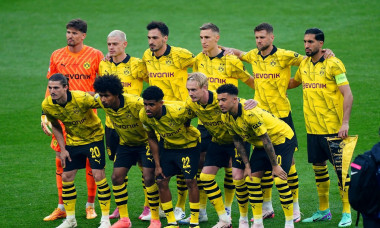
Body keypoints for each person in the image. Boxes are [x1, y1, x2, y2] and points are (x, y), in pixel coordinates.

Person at [188, 23, 255, 225]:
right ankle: (201, 210)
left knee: (230, 167)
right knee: (202, 164)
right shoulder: (198, 59)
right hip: (205, 121)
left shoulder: (231, 60)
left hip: (228, 121)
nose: (203, 41)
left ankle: (228, 206)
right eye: (201, 37)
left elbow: (251, 81)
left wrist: (258, 100)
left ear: (217, 38)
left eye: (207, 37)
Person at [288, 28, 354, 227]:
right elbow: (293, 83)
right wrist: (270, 80)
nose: (306, 45)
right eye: (305, 41)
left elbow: (348, 94)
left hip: (334, 127)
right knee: (319, 169)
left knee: (341, 171)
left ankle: (346, 212)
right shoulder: (304, 64)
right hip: (313, 128)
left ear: (321, 44)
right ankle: (324, 210)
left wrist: (345, 123)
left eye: (310, 42)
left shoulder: (334, 64)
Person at [41, 18, 103, 222]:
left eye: (74, 33)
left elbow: (102, 87)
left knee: (90, 164)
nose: (70, 36)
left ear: (83, 35)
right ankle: (61, 207)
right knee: (61, 161)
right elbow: (50, 86)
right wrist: (45, 115)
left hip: (86, 120)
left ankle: (90, 206)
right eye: (68, 32)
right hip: (62, 119)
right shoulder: (57, 56)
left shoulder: (95, 55)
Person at [217, 84, 296, 228]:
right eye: (219, 100)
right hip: (261, 144)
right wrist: (247, 165)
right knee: (251, 179)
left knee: (280, 180)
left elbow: (266, 139)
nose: (220, 103)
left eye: (223, 100)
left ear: (235, 100)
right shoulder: (225, 116)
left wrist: (275, 166)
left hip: (282, 139)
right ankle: (258, 223)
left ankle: (289, 223)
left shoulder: (250, 114)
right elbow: (237, 140)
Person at [185, 72, 257, 228]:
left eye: (194, 90)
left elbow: (243, 104)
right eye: (188, 90)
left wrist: (254, 102)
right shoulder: (191, 103)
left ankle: (242, 218)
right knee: (205, 177)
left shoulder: (220, 100)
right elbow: (181, 113)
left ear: (205, 88)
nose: (191, 93)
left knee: (237, 178)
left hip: (237, 141)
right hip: (217, 142)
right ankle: (224, 219)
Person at [42, 73, 111, 228]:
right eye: (50, 87)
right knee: (66, 176)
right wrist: (63, 148)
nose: (52, 91)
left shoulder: (81, 98)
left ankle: (105, 219)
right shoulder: (47, 105)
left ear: (66, 88)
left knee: (98, 175)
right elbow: (56, 126)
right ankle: (71, 220)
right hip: (74, 141)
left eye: (56, 88)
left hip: (94, 138)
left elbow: (105, 102)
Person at [142, 21, 195, 220]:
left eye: (155, 38)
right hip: (157, 117)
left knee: (182, 167)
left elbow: (201, 63)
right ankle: (155, 207)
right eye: (149, 38)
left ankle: (180, 207)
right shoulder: (147, 56)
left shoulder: (181, 54)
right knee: (159, 165)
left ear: (165, 38)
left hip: (179, 118)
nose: (151, 42)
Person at [93, 75, 160, 228]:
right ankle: (124, 219)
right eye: (101, 95)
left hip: (145, 144)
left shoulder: (135, 103)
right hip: (126, 144)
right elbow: (88, 98)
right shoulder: (101, 101)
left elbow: (156, 113)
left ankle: (155, 219)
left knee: (149, 177)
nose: (103, 100)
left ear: (117, 94)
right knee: (117, 177)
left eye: (106, 96)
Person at [98, 30, 150, 220]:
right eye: (109, 44)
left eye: (115, 44)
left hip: (136, 126)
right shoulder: (103, 64)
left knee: (145, 168)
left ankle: (149, 206)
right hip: (112, 125)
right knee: (120, 168)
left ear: (124, 44)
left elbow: (154, 83)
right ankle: (121, 207)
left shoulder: (136, 64)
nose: (111, 47)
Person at [139, 86, 201, 228]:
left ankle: (194, 222)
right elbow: (152, 138)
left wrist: (185, 126)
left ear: (161, 103)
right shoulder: (144, 115)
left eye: (151, 104)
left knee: (190, 181)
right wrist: (158, 165)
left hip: (188, 147)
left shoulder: (178, 111)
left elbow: (195, 114)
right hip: (168, 148)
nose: (147, 108)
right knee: (161, 180)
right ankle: (172, 222)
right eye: (145, 104)